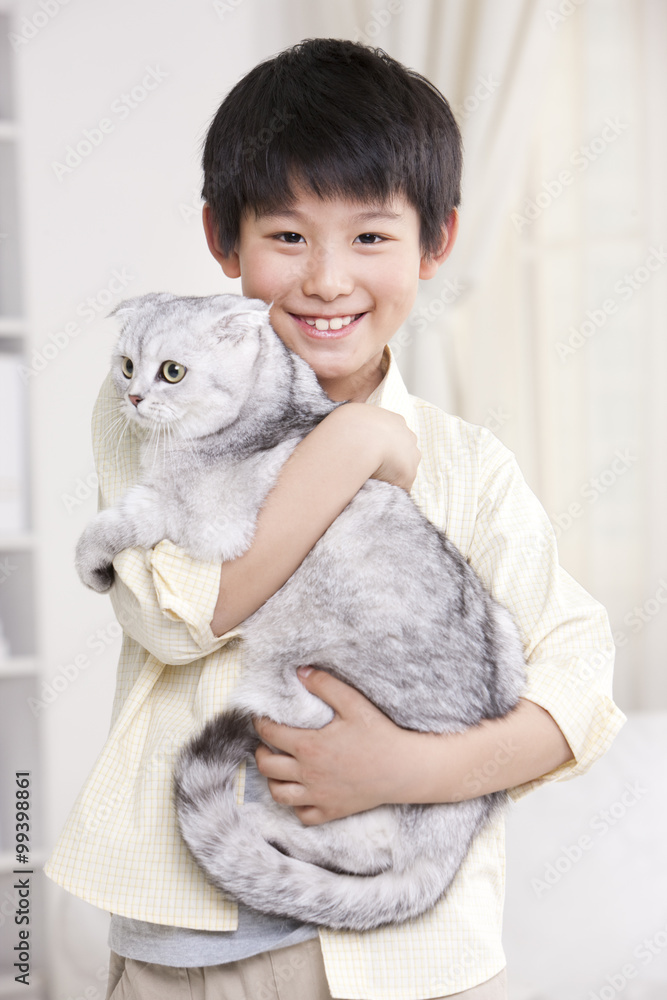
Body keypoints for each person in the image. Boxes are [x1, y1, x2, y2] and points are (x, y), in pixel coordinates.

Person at [45, 38, 626, 1000]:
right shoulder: (156, 400)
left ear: (436, 243)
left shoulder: (468, 468)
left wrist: (408, 769)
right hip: (190, 950)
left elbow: (580, 692)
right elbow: (176, 617)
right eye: (285, 237)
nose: (324, 280)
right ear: (221, 239)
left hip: (412, 957)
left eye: (369, 237)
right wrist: (348, 450)